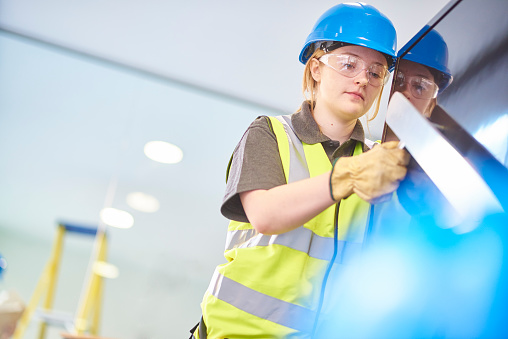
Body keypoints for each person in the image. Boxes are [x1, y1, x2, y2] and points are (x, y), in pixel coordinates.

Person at [190, 3, 409, 338]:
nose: (363, 79)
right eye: (349, 64)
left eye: (376, 72)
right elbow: (264, 214)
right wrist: (346, 177)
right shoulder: (270, 134)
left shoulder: (376, 166)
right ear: (316, 68)